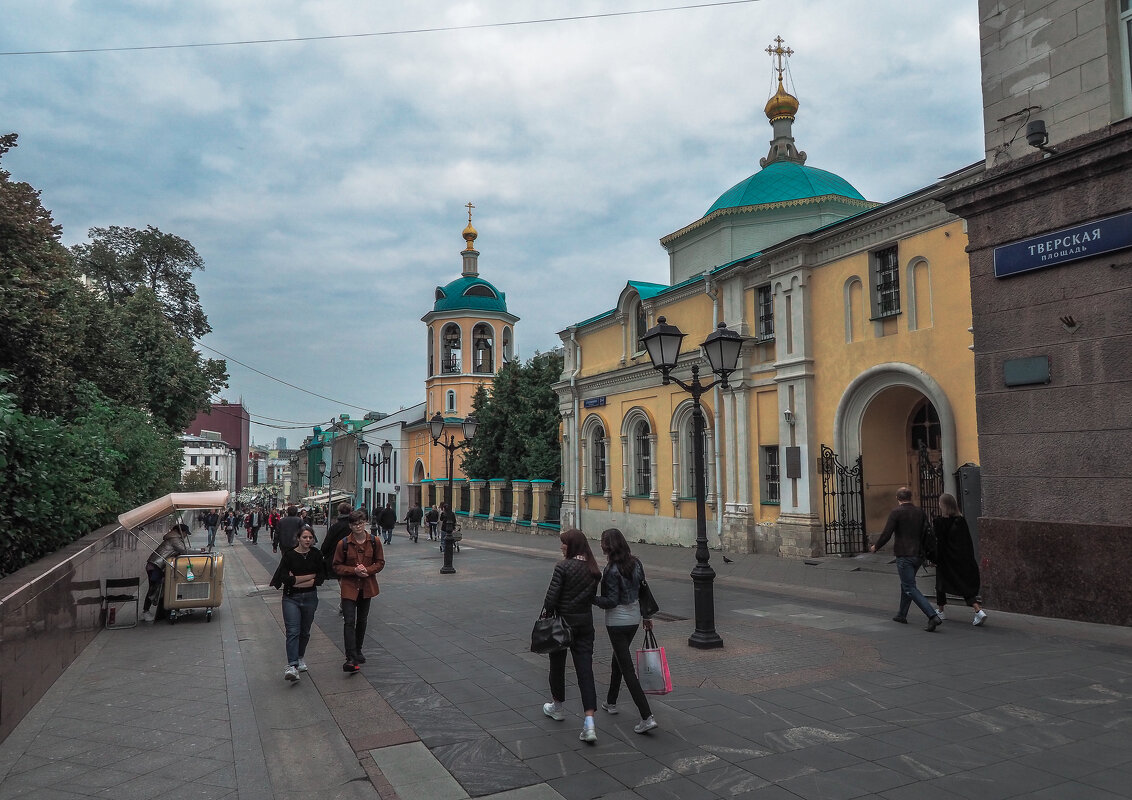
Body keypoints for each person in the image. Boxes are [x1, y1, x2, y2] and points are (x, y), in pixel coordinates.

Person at [592, 528, 658, 734]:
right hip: (634, 619)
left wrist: (591, 598)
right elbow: (643, 590)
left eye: (603, 543)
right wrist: (647, 617)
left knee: (627, 668)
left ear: (608, 546)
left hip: (617, 622)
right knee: (618, 659)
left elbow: (610, 601)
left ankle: (646, 716)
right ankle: (610, 701)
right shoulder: (636, 563)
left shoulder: (611, 571)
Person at [540, 529, 601, 743]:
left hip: (562, 625)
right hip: (585, 625)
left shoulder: (563, 567)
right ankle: (589, 723)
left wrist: (548, 612)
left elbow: (551, 600)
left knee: (557, 666)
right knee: (585, 671)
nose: (561, 546)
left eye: (564, 543)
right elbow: (591, 597)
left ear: (572, 546)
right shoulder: (594, 569)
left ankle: (557, 707)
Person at [870, 487, 944, 632]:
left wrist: (876, 547)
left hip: (904, 555)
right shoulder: (920, 512)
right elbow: (927, 533)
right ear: (911, 497)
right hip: (918, 555)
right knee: (907, 584)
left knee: (909, 586)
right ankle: (901, 614)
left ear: (897, 498)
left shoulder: (896, 512)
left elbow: (887, 533)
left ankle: (932, 615)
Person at [270, 526, 326, 682]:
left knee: (305, 631)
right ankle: (292, 665)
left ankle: (300, 657)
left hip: (310, 597)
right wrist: (308, 578)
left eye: (310, 538)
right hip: (291, 598)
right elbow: (285, 579)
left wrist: (297, 580)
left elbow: (321, 576)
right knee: (293, 631)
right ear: (298, 538)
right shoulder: (289, 555)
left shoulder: (316, 554)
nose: (308, 540)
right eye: (305, 537)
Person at [332, 510, 385, 672]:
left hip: (366, 587)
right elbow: (336, 566)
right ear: (350, 526)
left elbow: (380, 562)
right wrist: (353, 571)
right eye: (355, 524)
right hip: (349, 587)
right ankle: (350, 656)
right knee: (349, 621)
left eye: (361, 523)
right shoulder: (344, 544)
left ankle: (358, 650)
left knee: (362, 620)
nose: (358, 527)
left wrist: (368, 570)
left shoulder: (375, 541)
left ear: (365, 523)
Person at [933, 492, 987, 626]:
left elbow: (938, 540)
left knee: (940, 583)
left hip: (946, 560)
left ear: (944, 505)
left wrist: (935, 557)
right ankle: (977, 610)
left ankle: (941, 610)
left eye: (940, 503)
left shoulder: (942, 522)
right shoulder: (961, 520)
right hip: (962, 559)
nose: (939, 505)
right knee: (962, 586)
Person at [142, 524, 205, 623]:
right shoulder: (174, 539)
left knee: (162, 588)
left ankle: (170, 610)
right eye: (185, 533)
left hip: (158, 566)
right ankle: (145, 611)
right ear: (180, 531)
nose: (185, 535)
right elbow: (184, 551)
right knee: (154, 589)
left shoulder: (173, 538)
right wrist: (200, 551)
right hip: (155, 566)